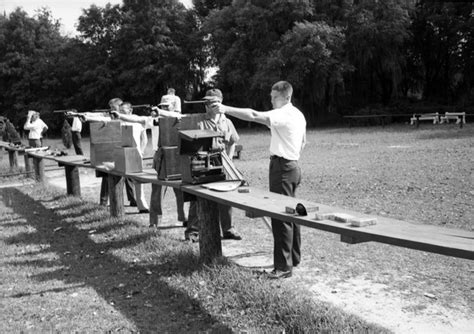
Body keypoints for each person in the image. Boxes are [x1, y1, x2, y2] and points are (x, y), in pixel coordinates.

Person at [215, 81, 306, 279]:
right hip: (293, 166)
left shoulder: (282, 113)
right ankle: (294, 258)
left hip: (282, 167)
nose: (271, 100)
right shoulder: (298, 114)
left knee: (281, 215)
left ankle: (282, 267)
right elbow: (303, 141)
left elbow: (254, 115)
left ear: (286, 97)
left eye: (274, 97)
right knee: (292, 213)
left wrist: (225, 109)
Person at [110, 102, 185, 227]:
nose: (162, 109)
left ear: (173, 108)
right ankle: (154, 222)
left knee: (179, 190)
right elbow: (137, 119)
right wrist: (120, 116)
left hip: (176, 156)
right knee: (157, 190)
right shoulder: (154, 120)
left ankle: (183, 217)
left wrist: (162, 112)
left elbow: (175, 115)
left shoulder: (178, 118)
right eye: (161, 107)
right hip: (160, 156)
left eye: (166, 107)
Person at [184, 88, 242, 241]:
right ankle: (193, 232)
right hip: (203, 162)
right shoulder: (198, 120)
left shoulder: (227, 122)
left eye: (212, 102)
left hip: (222, 162)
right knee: (198, 197)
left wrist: (229, 160)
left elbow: (232, 142)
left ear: (220, 103)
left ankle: (228, 229)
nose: (209, 105)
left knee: (226, 196)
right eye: (207, 102)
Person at [78, 98, 138, 208]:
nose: (112, 110)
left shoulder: (128, 117)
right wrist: (88, 117)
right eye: (111, 108)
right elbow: (97, 116)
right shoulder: (109, 116)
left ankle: (133, 199)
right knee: (107, 175)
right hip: (111, 149)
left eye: (114, 108)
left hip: (126, 147)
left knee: (129, 176)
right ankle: (104, 201)